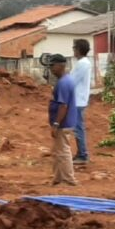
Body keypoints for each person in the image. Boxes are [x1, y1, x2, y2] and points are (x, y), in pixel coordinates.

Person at [47, 54, 80, 186]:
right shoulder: (66, 81)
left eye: (52, 66)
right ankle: (58, 178)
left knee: (63, 150)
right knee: (58, 151)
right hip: (66, 121)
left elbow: (63, 106)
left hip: (63, 123)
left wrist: (56, 123)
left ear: (60, 66)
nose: (51, 69)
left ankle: (68, 179)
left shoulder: (63, 83)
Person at [70, 39, 92, 165]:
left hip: (78, 100)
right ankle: (80, 153)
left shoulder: (82, 64)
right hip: (78, 100)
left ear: (78, 49)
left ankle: (83, 155)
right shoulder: (82, 63)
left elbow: (72, 81)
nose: (73, 50)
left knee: (78, 128)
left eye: (74, 48)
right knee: (77, 128)